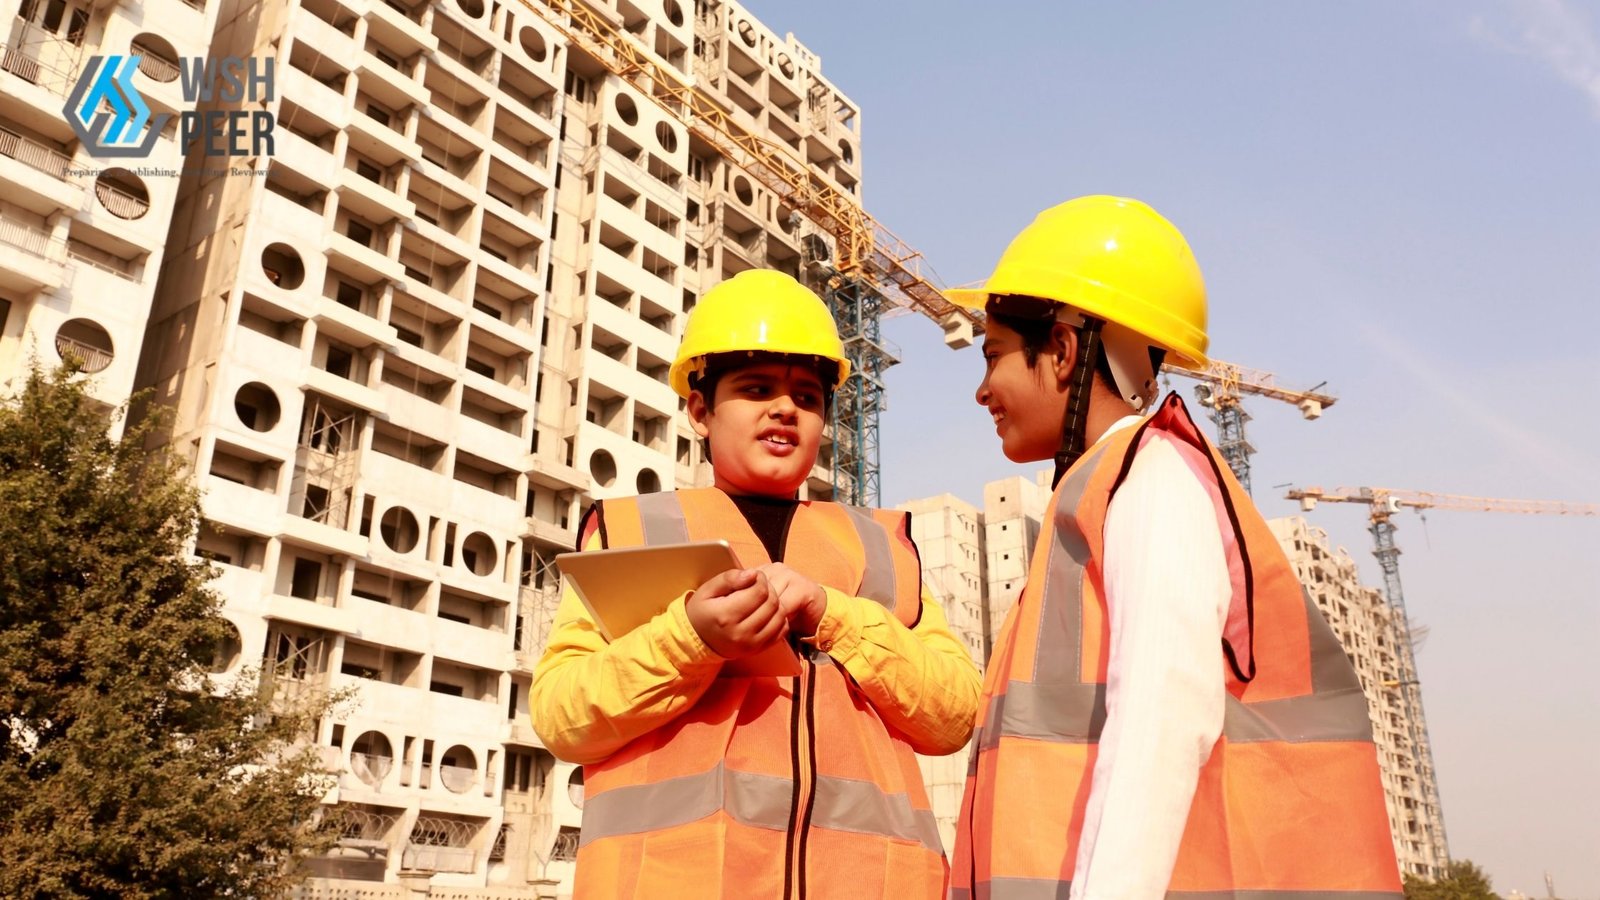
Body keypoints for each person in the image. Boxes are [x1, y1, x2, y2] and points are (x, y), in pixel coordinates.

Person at [945, 196, 1402, 899]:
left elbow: (1160, 724)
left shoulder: (1151, 482)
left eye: (995, 355)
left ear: (1062, 351)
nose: (983, 390)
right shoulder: (1102, 492)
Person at [531, 269, 982, 900]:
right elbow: (562, 716)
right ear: (699, 409)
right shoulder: (634, 531)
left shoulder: (880, 548)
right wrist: (691, 639)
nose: (785, 408)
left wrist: (833, 614)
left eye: (807, 396)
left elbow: (955, 714)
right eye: (756, 387)